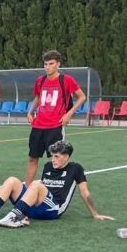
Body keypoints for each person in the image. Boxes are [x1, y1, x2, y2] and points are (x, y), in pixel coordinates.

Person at [0, 140, 113, 227]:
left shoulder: (75, 168)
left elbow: (84, 192)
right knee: (12, 180)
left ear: (67, 157)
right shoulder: (47, 166)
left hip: (53, 209)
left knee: (36, 184)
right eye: (52, 156)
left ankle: (14, 217)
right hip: (37, 206)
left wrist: (95, 214)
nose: (53, 160)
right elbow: (39, 193)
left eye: (57, 156)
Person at [25, 50, 86, 184]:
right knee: (32, 158)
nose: (47, 67)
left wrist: (69, 114)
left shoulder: (66, 80)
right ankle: (26, 190)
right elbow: (38, 97)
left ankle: (56, 189)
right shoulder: (40, 80)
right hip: (38, 126)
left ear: (58, 64)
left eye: (51, 63)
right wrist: (30, 112)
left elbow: (82, 97)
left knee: (57, 159)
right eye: (45, 64)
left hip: (55, 126)